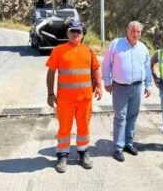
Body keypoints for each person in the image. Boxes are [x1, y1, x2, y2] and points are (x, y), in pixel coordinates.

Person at [46, 21, 102, 173]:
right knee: (64, 128)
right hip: (65, 100)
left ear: (82, 34)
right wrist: (50, 93)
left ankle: (83, 153)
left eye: (78, 31)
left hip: (85, 100)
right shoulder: (58, 50)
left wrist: (99, 86)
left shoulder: (88, 51)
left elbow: (96, 68)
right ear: (67, 33)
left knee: (84, 127)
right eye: (73, 31)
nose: (75, 34)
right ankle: (62, 155)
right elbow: (51, 72)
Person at [102, 21, 152, 162]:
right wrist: (107, 81)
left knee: (132, 116)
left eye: (138, 32)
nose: (135, 34)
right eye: (133, 31)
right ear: (127, 30)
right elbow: (106, 64)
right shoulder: (116, 44)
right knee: (120, 117)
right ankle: (118, 148)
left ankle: (128, 143)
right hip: (120, 87)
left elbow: (147, 68)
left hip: (137, 87)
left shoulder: (143, 48)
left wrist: (148, 85)